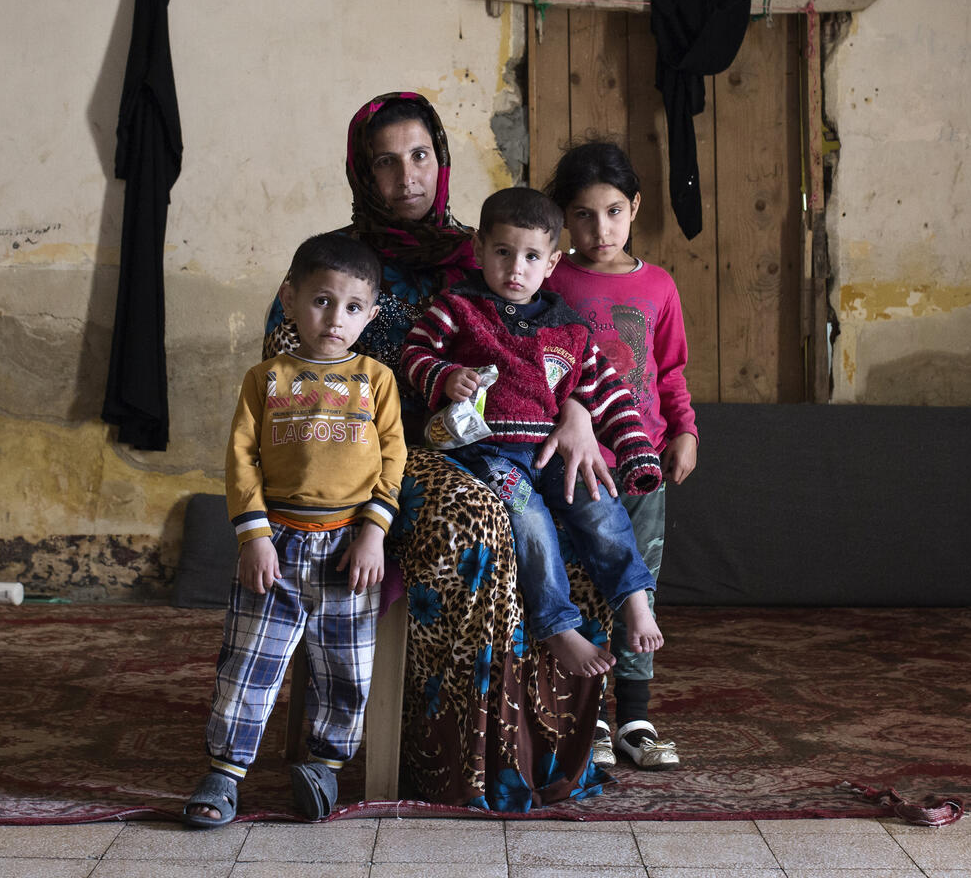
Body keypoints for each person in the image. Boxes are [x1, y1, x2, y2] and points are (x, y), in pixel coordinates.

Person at [265, 92, 617, 810]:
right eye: (386, 162)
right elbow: (282, 372)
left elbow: (561, 346)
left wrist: (577, 410)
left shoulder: (489, 250)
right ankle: (456, 763)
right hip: (372, 454)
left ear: (442, 159)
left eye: (420, 155)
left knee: (581, 498)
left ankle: (551, 749)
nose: (407, 176)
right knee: (474, 515)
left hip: (499, 442)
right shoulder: (332, 265)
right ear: (363, 173)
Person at [184, 232, 406, 827]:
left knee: (347, 667)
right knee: (249, 661)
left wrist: (374, 533)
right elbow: (241, 461)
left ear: (372, 313)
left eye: (354, 307)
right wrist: (253, 537)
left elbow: (393, 462)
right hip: (275, 546)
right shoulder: (266, 380)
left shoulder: (376, 381)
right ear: (290, 297)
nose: (336, 318)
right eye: (322, 301)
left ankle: (324, 770)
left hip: (349, 551)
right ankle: (225, 772)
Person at [401, 186, 665, 681]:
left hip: (548, 450)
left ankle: (633, 598)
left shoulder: (566, 326)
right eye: (502, 252)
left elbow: (608, 393)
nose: (515, 268)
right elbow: (414, 351)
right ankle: (558, 625)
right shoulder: (459, 307)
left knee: (599, 503)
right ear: (480, 249)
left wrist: (636, 454)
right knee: (532, 521)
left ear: (551, 262)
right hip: (489, 454)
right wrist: (442, 375)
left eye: (530, 256)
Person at [545, 139, 699, 771]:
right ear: (563, 218)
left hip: (644, 468)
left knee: (640, 588)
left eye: (612, 211)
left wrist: (686, 431)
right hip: (575, 469)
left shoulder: (658, 286)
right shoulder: (550, 279)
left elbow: (670, 371)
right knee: (584, 587)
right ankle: (594, 718)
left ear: (635, 208)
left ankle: (635, 714)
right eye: (582, 214)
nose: (599, 228)